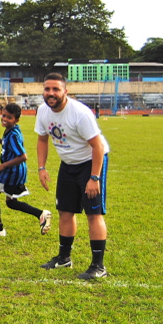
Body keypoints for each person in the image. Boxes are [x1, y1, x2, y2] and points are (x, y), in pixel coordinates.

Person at [35, 73, 110, 280]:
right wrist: (41, 167)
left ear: (65, 92)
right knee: (65, 211)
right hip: (68, 164)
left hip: (91, 162)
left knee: (93, 214)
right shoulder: (42, 111)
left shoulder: (79, 113)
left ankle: (98, 266)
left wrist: (94, 178)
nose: (51, 93)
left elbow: (98, 146)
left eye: (56, 89)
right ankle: (64, 258)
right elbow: (42, 140)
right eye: (47, 89)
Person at [0, 103, 51, 237]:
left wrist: (3, 166)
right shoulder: (10, 131)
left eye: (9, 117)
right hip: (13, 170)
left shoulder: (13, 134)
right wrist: (0, 141)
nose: (4, 119)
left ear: (16, 120)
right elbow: (10, 147)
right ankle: (41, 214)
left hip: (12, 172)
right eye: (3, 115)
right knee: (11, 202)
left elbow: (22, 156)